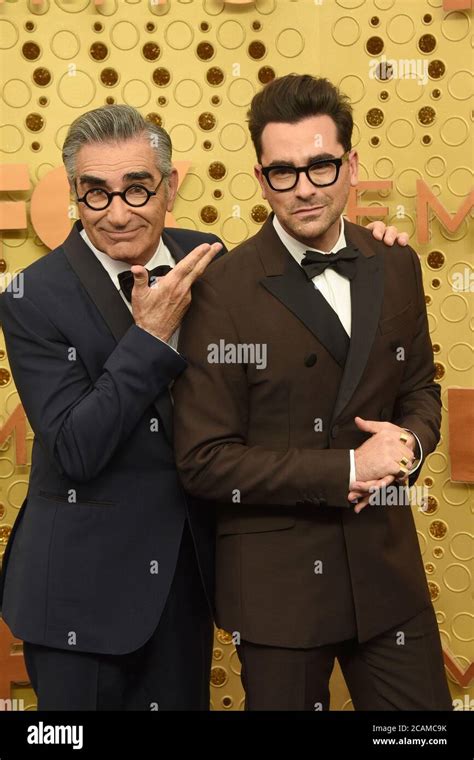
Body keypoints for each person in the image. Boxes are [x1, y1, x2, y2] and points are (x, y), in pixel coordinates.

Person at [172, 75, 452, 711]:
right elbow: (205, 458)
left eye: (321, 166)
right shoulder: (222, 289)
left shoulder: (396, 263)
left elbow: (420, 392)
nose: (303, 189)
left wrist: (410, 443)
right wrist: (350, 467)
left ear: (351, 163)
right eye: (282, 172)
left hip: (386, 574)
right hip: (278, 590)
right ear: (260, 176)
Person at [0, 104, 223, 710]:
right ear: (74, 193)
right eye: (95, 194)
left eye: (137, 189)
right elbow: (75, 447)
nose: (117, 213)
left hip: (184, 584)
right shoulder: (32, 297)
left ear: (169, 185)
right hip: (78, 592)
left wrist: (372, 243)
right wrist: (148, 341)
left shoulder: (207, 260)